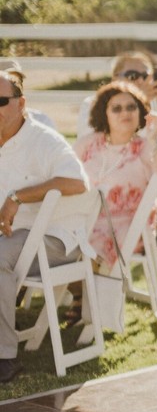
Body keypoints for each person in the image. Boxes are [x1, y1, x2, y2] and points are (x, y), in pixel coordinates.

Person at [0, 69, 90, 383]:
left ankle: (4, 358)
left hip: (55, 237)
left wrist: (17, 196)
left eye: (1, 100)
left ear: (21, 103)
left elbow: (77, 182)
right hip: (14, 235)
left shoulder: (44, 140)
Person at [77, 51, 157, 250]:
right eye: (132, 76)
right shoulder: (92, 109)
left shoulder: (148, 115)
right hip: (88, 214)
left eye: (146, 76)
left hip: (127, 221)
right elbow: (89, 154)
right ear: (114, 79)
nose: (140, 81)